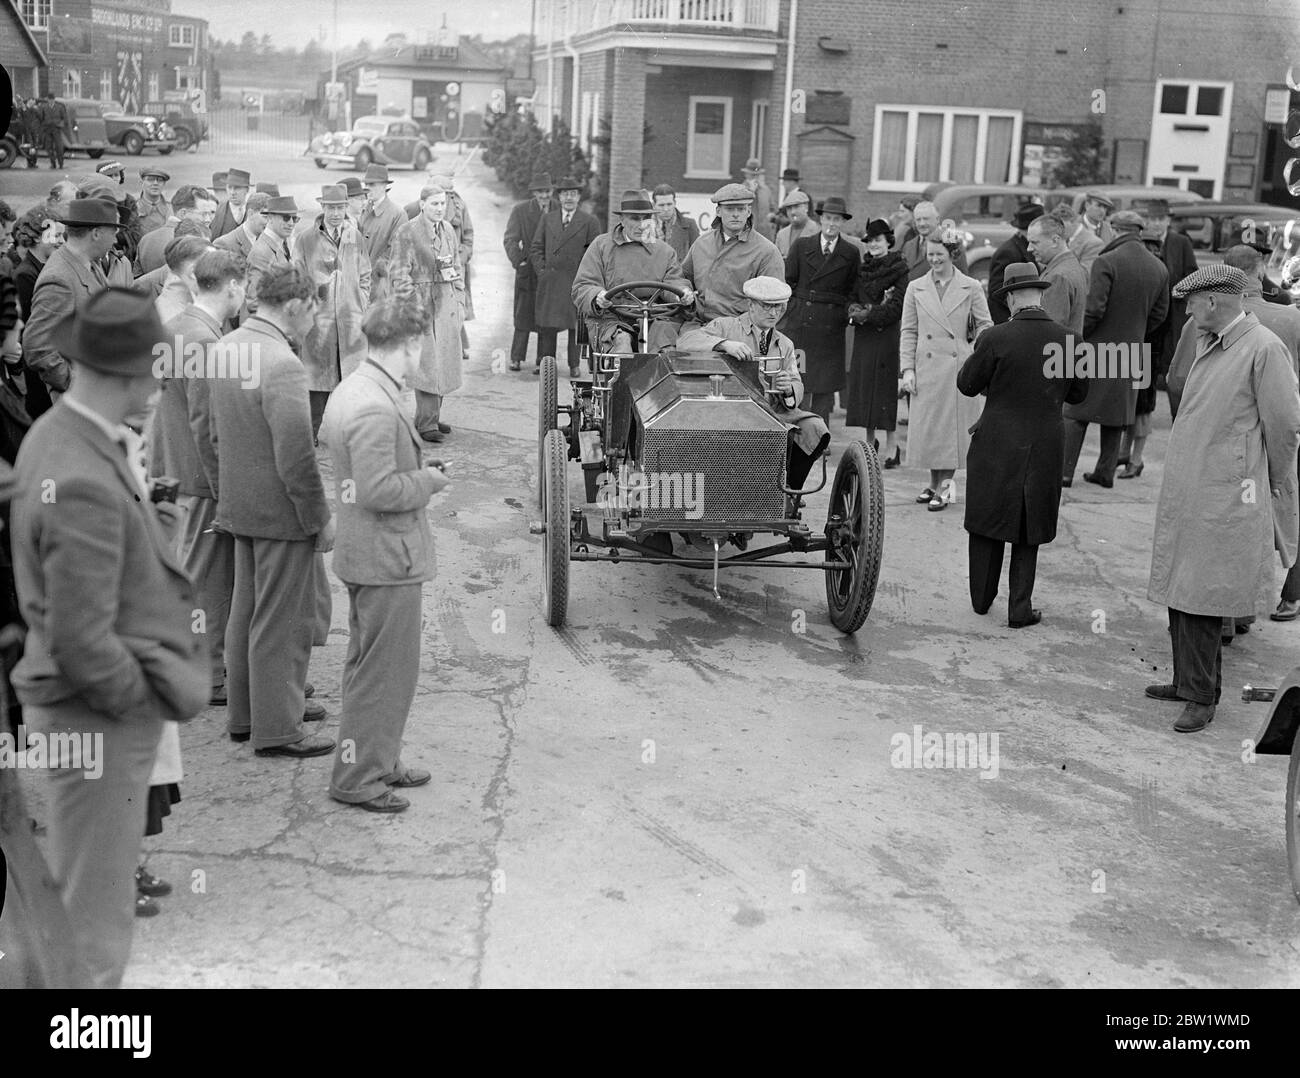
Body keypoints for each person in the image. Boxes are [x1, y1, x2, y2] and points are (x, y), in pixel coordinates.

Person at [9, 288, 209, 986]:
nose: (158, 383)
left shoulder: (65, 433)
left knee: (78, 901)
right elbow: (81, 641)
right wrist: (144, 698)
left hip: (84, 716)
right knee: (93, 934)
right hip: (99, 721)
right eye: (152, 370)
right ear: (124, 372)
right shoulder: (83, 476)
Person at [1147, 265, 1300, 733]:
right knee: (1183, 585)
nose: (1187, 311)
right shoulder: (1213, 341)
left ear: (1213, 301)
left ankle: (1201, 696)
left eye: (1192, 302)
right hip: (1197, 484)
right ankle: (1186, 679)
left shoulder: (1263, 348)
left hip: (1227, 491)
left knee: (1205, 592)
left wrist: (1271, 479)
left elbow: (1285, 427)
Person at [320, 295, 450, 814]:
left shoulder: (355, 386)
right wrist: (428, 480)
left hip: (367, 552)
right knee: (385, 672)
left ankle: (379, 758)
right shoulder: (375, 404)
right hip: (386, 557)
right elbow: (378, 490)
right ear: (409, 344)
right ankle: (359, 778)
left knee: (370, 666)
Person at [207, 264, 334, 756]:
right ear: (298, 306)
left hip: (240, 506)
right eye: (313, 313)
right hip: (281, 514)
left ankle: (245, 716)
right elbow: (297, 456)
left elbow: (215, 434)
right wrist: (318, 518)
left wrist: (228, 495)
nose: (313, 323)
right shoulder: (282, 363)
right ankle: (279, 728)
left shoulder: (227, 346)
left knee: (246, 613)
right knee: (283, 623)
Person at [958, 264, 1087, 628]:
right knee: (1030, 525)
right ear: (1041, 295)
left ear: (1012, 298)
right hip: (1045, 442)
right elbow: (1079, 393)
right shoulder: (1069, 340)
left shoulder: (995, 338)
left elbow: (967, 384)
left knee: (987, 519)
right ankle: (1020, 608)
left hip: (996, 441)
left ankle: (982, 600)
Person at [151, 248, 244, 711]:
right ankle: (209, 675)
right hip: (199, 480)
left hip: (170, 470)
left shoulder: (174, 328)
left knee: (186, 573)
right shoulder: (208, 342)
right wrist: (226, 496)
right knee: (208, 581)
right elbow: (209, 428)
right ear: (230, 286)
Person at [677, 276, 830, 492]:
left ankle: (787, 492)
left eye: (778, 307)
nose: (773, 313)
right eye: (766, 306)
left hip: (771, 411)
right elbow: (685, 341)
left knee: (815, 429)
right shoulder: (726, 327)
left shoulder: (785, 344)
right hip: (728, 411)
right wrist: (724, 344)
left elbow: (796, 384)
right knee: (777, 432)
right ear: (750, 305)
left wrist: (788, 390)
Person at [1061, 210, 1169, 488]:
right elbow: (1159, 315)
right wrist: (1135, 333)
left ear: (1115, 229)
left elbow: (1094, 309)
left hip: (1098, 348)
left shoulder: (1106, 261)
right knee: (1116, 415)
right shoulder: (1158, 267)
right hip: (1133, 350)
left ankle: (1063, 472)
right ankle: (1105, 472)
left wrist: (1079, 338)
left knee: (1075, 411)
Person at [899, 223, 993, 511]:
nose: (935, 260)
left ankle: (946, 489)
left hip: (958, 371)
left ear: (952, 254)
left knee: (950, 435)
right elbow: (909, 331)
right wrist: (907, 370)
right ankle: (932, 484)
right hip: (926, 369)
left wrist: (973, 354)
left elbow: (986, 326)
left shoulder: (972, 286)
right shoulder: (916, 288)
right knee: (932, 433)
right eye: (930, 254)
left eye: (940, 254)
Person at [572, 192, 694, 354]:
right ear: (622, 220)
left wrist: (681, 294)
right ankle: (620, 377)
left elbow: (674, 283)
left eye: (645, 218)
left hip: (655, 317)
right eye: (635, 219)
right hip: (611, 318)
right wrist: (598, 296)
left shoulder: (664, 251)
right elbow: (583, 286)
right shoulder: (601, 246)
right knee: (622, 342)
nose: (641, 225)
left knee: (668, 349)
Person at [389, 184, 465, 443]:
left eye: (443, 203)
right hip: (421, 308)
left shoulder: (448, 231)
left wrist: (460, 302)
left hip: (446, 306)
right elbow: (399, 275)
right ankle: (425, 423)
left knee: (443, 364)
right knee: (427, 367)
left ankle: (431, 416)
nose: (439, 208)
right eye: (434, 204)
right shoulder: (407, 232)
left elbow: (457, 267)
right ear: (422, 204)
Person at [296, 184, 372, 439]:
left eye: (340, 207)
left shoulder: (355, 237)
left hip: (351, 323)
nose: (336, 213)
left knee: (350, 381)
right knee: (317, 383)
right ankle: (309, 435)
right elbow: (296, 279)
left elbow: (365, 274)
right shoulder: (306, 239)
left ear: (346, 207)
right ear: (323, 208)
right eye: (331, 207)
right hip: (319, 324)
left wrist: (360, 302)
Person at [22, 199, 118, 399]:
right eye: (113, 233)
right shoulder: (59, 278)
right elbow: (38, 348)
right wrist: (78, 385)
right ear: (96, 234)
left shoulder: (89, 264)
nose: (116, 241)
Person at [781, 196, 859, 423]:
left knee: (825, 387)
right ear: (821, 219)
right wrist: (796, 309)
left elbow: (853, 291)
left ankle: (820, 436)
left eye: (837, 219)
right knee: (799, 380)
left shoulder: (850, 253)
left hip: (830, 329)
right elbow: (788, 283)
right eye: (828, 218)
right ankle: (796, 431)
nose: (832, 223)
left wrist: (842, 314)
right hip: (801, 327)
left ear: (842, 222)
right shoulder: (802, 246)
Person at [847, 218, 909, 467]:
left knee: (884, 391)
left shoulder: (899, 268)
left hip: (886, 337)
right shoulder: (863, 269)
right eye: (870, 240)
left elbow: (896, 307)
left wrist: (869, 312)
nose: (873, 244)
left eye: (878, 240)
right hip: (864, 337)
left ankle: (893, 445)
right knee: (864, 389)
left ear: (888, 241)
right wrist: (852, 310)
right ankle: (869, 441)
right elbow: (851, 297)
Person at [682, 183, 784, 323]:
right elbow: (683, 278)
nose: (735, 214)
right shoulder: (702, 244)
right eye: (729, 209)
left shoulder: (766, 251)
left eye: (741, 209)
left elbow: (777, 302)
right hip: (698, 324)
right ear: (718, 211)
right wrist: (684, 292)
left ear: (748, 212)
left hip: (740, 332)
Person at [532, 175, 602, 377]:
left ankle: (574, 365)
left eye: (573, 194)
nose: (569, 198)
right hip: (550, 282)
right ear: (559, 197)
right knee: (548, 326)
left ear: (579, 197)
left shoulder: (590, 221)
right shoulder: (548, 219)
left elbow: (594, 254)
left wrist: (585, 279)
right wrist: (542, 272)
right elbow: (536, 247)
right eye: (565, 194)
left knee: (575, 326)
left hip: (575, 281)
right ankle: (547, 365)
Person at [503, 172, 553, 371]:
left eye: (547, 191)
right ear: (534, 193)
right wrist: (520, 262)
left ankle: (544, 360)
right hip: (528, 271)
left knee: (547, 316)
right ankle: (516, 357)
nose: (544, 196)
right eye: (540, 192)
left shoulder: (558, 209)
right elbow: (510, 239)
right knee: (523, 314)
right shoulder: (521, 210)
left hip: (550, 273)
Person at [1026, 212, 1087, 334]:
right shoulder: (1071, 265)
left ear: (1055, 241)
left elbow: (1049, 331)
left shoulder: (1057, 277)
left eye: (1035, 242)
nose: (1029, 248)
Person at [136, 185, 218, 274]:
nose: (208, 220)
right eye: (203, 214)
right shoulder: (193, 240)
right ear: (183, 213)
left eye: (210, 214)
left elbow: (137, 278)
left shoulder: (145, 240)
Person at [358, 163, 408, 305]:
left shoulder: (397, 214)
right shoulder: (362, 209)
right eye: (366, 184)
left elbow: (395, 252)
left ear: (384, 186)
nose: (368, 188)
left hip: (381, 284)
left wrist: (371, 272)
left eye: (372, 184)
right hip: (358, 283)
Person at [244, 195, 299, 319]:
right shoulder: (262, 252)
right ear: (270, 218)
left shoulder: (279, 243)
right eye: (286, 218)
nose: (291, 223)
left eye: (294, 218)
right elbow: (253, 302)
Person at [987, 203, 1044, 324]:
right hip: (1007, 321)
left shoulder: (1022, 246)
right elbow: (996, 290)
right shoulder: (1008, 252)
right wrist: (1022, 307)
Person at [900, 201, 968, 280]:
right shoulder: (908, 246)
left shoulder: (952, 243)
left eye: (926, 219)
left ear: (937, 219)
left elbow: (963, 280)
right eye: (918, 220)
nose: (922, 223)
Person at [153, 235, 209, 326]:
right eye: (211, 264)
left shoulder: (177, 302)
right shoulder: (176, 316)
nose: (217, 271)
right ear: (192, 271)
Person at [213, 191, 270, 263]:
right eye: (265, 217)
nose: (269, 222)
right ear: (251, 214)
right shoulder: (223, 245)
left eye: (272, 218)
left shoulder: (268, 241)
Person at [1068, 191, 1115, 275]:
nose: (1102, 211)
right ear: (1087, 205)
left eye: (1105, 207)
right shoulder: (1074, 227)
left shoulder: (1109, 229)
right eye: (1099, 206)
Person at [652, 184, 700, 263]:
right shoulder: (645, 226)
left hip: (679, 274)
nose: (666, 209)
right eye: (661, 205)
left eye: (669, 204)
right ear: (654, 205)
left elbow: (698, 257)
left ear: (674, 203)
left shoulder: (690, 225)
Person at [774, 190, 819, 259]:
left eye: (796, 207)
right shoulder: (781, 235)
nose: (793, 212)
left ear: (806, 207)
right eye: (789, 208)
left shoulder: (817, 231)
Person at [210, 168, 252, 240]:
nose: (232, 192)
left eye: (237, 188)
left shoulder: (253, 210)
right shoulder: (216, 211)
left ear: (247, 190)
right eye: (229, 187)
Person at [740, 157, 775, 241]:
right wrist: (751, 191)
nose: (754, 178)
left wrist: (771, 216)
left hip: (764, 235)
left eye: (756, 175)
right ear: (746, 174)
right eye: (751, 175)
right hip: (746, 235)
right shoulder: (740, 190)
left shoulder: (766, 190)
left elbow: (772, 208)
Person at [135, 166, 172, 236]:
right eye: (150, 179)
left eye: (160, 180)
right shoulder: (134, 209)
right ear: (141, 183)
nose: (155, 183)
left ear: (164, 184)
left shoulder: (172, 209)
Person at [37, 93, 67, 170]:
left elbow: (64, 118)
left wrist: (60, 125)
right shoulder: (44, 107)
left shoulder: (59, 107)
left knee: (59, 147)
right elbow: (41, 118)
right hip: (47, 129)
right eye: (49, 99)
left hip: (56, 129)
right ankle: (53, 164)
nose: (50, 101)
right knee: (48, 147)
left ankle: (61, 164)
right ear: (47, 100)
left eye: (52, 99)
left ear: (54, 99)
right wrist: (44, 125)